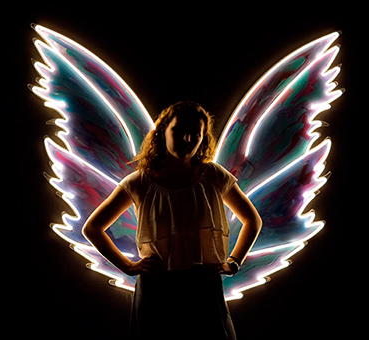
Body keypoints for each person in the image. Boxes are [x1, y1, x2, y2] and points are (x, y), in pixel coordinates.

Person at [82, 101, 262, 340]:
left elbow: (252, 219)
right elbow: (92, 228)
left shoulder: (214, 176)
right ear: (163, 131)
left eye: (196, 134)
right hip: (158, 288)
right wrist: (127, 266)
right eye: (179, 131)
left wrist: (233, 262)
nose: (188, 139)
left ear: (203, 139)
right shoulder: (140, 182)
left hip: (203, 286)